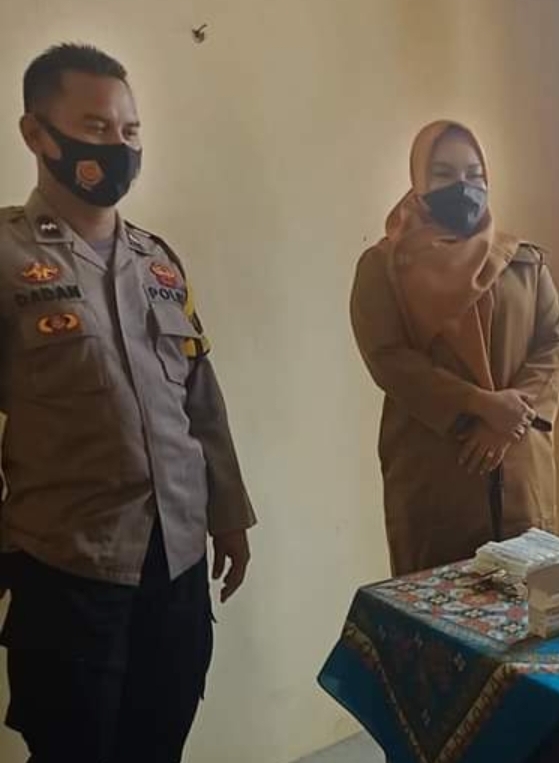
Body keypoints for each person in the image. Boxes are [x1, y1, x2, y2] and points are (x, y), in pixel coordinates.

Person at [0, 44, 255, 762]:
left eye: (130, 130)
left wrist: (228, 515)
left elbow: (202, 401)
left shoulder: (158, 261)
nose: (118, 145)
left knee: (159, 741)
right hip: (67, 569)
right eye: (96, 127)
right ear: (36, 133)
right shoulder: (8, 258)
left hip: (175, 564)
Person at [350, 120, 559, 575]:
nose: (464, 186)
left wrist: (509, 418)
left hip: (520, 464)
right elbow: (389, 359)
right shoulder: (385, 267)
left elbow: (556, 343)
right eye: (444, 174)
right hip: (437, 471)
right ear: (418, 181)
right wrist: (478, 406)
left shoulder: (522, 262)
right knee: (437, 604)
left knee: (530, 599)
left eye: (475, 174)